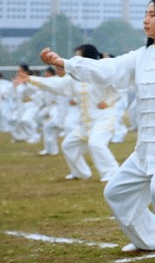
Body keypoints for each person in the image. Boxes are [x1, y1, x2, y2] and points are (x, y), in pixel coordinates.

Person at [40, 0, 155, 262]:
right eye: (145, 13)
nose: (145, 19)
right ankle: (150, 239)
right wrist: (66, 64)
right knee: (116, 192)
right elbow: (110, 70)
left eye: (152, 14)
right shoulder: (143, 56)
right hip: (148, 145)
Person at [16, 44, 120, 182]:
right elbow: (56, 85)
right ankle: (81, 173)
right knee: (68, 146)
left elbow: (120, 88)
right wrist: (31, 79)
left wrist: (108, 102)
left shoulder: (102, 71)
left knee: (96, 144)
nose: (75, 59)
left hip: (103, 119)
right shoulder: (74, 77)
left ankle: (113, 174)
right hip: (85, 124)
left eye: (78, 56)